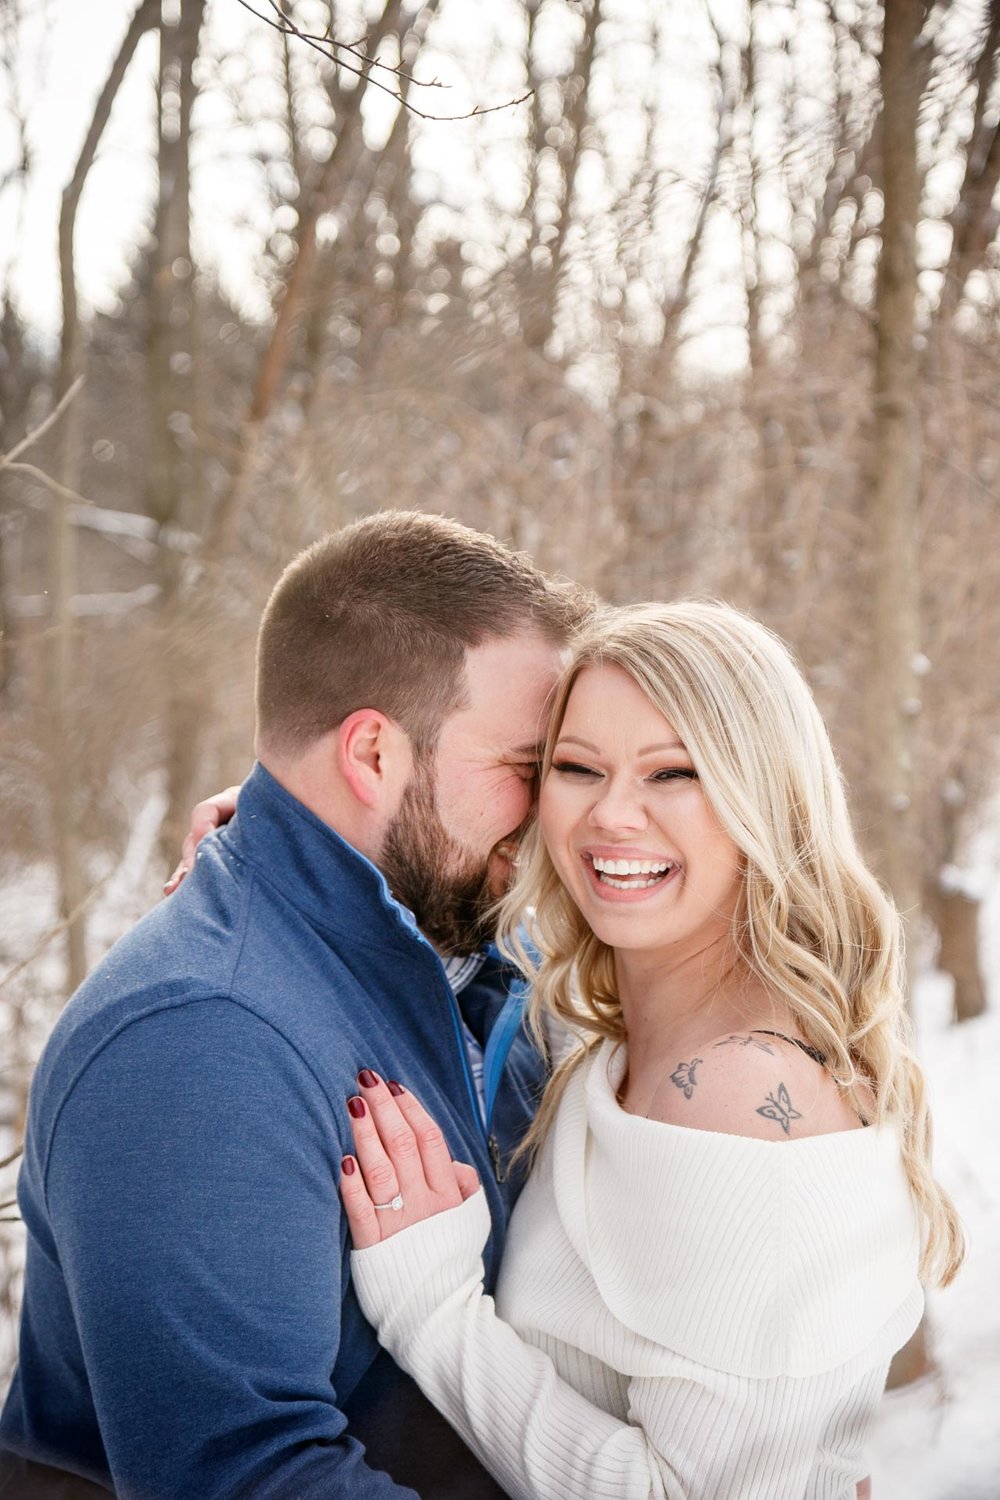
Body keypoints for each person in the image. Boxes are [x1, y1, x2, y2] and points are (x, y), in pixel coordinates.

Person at [0, 511, 590, 1499]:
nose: (557, 813)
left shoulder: (468, 942)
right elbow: (251, 1477)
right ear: (371, 757)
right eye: (528, 770)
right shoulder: (200, 1042)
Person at [334, 601, 965, 1500]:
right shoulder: (622, 1036)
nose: (613, 816)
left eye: (673, 773)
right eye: (578, 767)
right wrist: (310, 835)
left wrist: (431, 1311)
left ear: (766, 798)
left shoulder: (745, 1096)